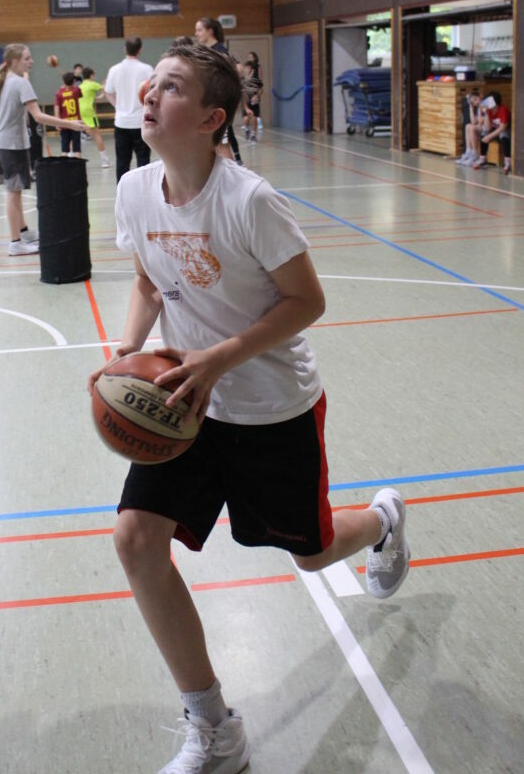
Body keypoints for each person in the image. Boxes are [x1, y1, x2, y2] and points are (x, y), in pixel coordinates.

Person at [88, 43, 410, 774]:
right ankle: (213, 725)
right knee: (136, 540)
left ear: (211, 119)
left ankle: (383, 519)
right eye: (152, 83)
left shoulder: (249, 201)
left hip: (270, 408)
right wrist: (127, 352)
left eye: (171, 87)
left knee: (312, 554)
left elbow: (307, 301)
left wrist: (222, 358)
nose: (149, 94)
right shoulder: (134, 191)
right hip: (183, 408)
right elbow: (147, 281)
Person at [0, 44, 85, 256]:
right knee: (13, 193)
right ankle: (15, 243)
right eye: (27, 58)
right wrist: (71, 124)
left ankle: (23, 232)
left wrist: (1, 132)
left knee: (15, 191)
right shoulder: (21, 83)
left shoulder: (0, 83)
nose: (31, 61)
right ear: (15, 61)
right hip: (12, 145)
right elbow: (38, 116)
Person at [194, 17, 243, 164]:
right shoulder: (207, 51)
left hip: (218, 105)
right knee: (213, 145)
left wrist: (222, 89)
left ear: (210, 31)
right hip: (209, 104)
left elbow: (238, 68)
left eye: (199, 30)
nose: (196, 33)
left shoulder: (219, 51)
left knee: (221, 145)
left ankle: (233, 176)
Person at [104, 37, 153, 183]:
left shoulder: (114, 69)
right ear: (140, 50)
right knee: (143, 162)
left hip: (122, 122)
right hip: (141, 122)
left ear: (125, 49)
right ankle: (144, 190)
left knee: (122, 162)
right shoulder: (147, 69)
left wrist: (117, 106)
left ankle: (122, 191)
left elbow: (108, 92)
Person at [472, 91, 512, 173]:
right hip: (495, 130)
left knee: (503, 135)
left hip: (505, 130)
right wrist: (486, 113)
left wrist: (490, 136)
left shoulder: (503, 109)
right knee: (484, 133)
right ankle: (482, 159)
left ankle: (508, 161)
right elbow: (487, 128)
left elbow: (502, 127)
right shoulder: (489, 110)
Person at [79, 67, 111, 168]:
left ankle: (71, 155)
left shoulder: (80, 86)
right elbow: (106, 89)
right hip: (88, 111)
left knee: (76, 135)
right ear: (91, 75)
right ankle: (104, 160)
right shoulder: (93, 84)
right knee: (97, 134)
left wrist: (98, 96)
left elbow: (93, 98)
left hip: (79, 111)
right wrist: (105, 83)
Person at [55, 71, 83, 158]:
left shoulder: (59, 93)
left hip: (64, 123)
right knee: (77, 149)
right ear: (74, 81)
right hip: (75, 123)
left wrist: (57, 122)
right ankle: (77, 165)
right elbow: (80, 94)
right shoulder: (76, 90)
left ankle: (64, 165)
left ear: (63, 81)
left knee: (64, 150)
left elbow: (56, 107)